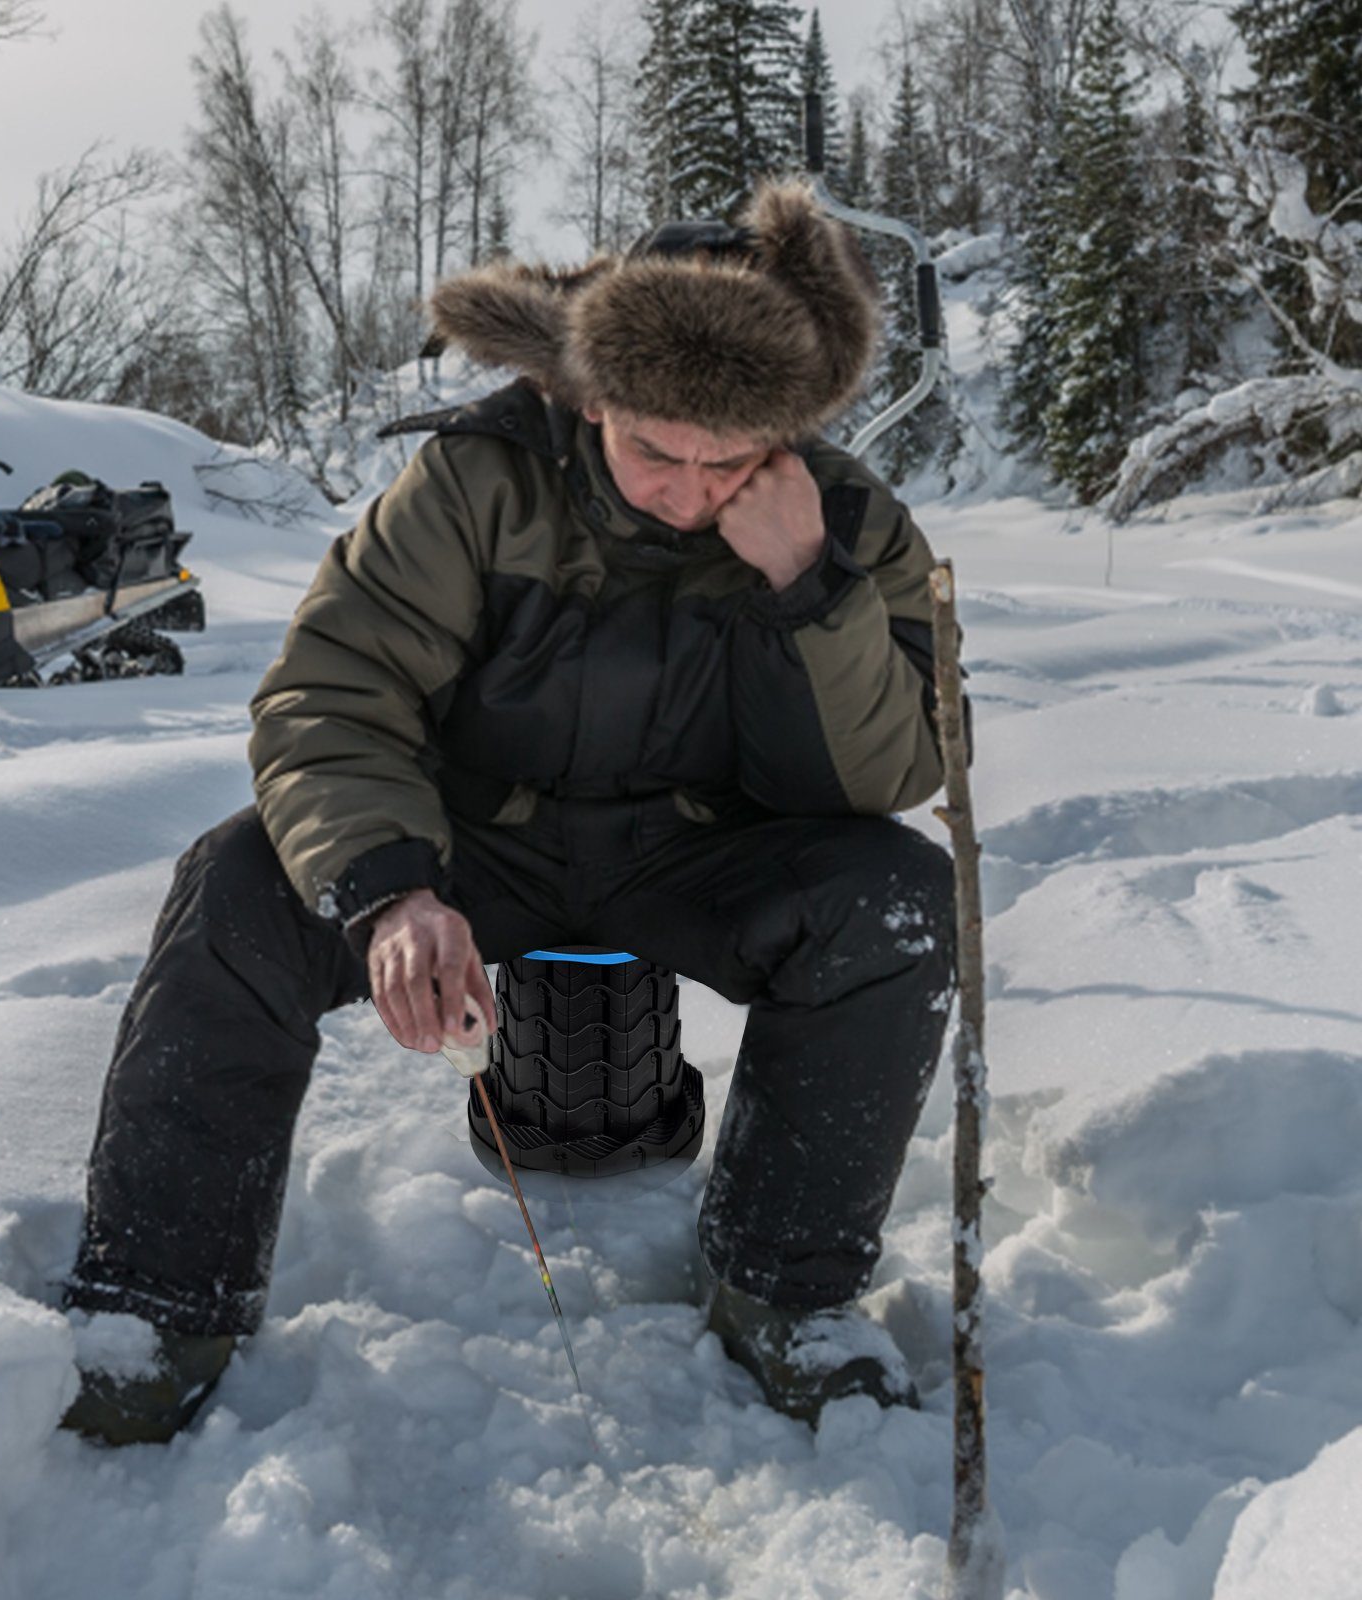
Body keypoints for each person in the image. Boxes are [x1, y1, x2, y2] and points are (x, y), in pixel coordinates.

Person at [60, 180, 959, 1445]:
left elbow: (890, 776)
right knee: (236, 884)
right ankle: (158, 1304)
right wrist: (390, 888)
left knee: (901, 900)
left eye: (731, 460)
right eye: (654, 448)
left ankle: (788, 1292)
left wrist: (809, 586)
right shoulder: (474, 481)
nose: (687, 493)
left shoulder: (849, 522)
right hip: (481, 846)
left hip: (703, 857)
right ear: (589, 398)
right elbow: (331, 690)